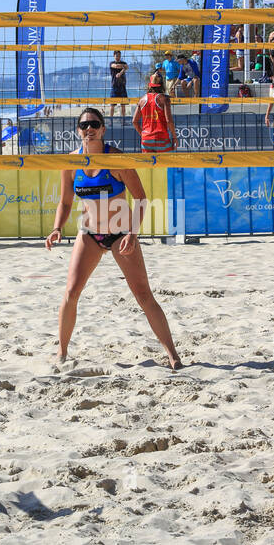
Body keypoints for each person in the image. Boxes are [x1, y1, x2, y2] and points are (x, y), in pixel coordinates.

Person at [46, 108, 182, 369]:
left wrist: (132, 232)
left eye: (94, 124)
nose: (89, 128)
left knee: (143, 295)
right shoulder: (72, 163)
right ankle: (61, 353)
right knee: (71, 292)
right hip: (89, 234)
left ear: (103, 129)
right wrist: (57, 228)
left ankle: (173, 355)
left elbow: (141, 197)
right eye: (84, 125)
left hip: (121, 234)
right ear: (78, 130)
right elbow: (65, 201)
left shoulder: (116, 159)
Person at [133, 72, 176, 153]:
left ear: (150, 85)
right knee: (168, 164)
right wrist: (174, 137)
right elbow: (169, 121)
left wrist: (143, 134)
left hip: (146, 139)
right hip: (161, 138)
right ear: (162, 85)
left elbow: (134, 121)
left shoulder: (141, 100)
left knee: (149, 165)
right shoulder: (164, 99)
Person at [109, 50, 129, 117]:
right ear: (114, 56)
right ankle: (110, 120)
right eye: (117, 55)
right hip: (114, 86)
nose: (118, 57)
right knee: (112, 105)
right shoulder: (111, 63)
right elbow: (116, 66)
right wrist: (123, 67)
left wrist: (120, 72)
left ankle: (123, 121)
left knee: (123, 105)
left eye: (119, 56)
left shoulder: (123, 62)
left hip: (122, 86)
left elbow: (127, 67)